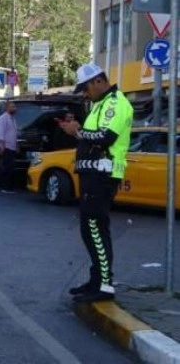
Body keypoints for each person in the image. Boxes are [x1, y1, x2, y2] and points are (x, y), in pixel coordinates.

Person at [60, 63, 133, 303]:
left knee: (96, 229)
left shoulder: (116, 103)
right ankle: (97, 279)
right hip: (93, 175)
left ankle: (104, 284)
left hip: (103, 175)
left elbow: (105, 137)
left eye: (86, 88)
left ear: (98, 81)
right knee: (90, 230)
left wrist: (77, 132)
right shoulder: (99, 104)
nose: (84, 93)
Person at [0, 100, 18, 194]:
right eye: (12, 107)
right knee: (7, 167)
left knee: (9, 167)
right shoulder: (2, 118)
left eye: (14, 107)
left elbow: (14, 133)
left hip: (11, 146)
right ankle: (5, 187)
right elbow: (1, 132)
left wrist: (16, 145)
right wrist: (2, 145)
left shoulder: (12, 119)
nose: (14, 109)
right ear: (7, 108)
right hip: (5, 146)